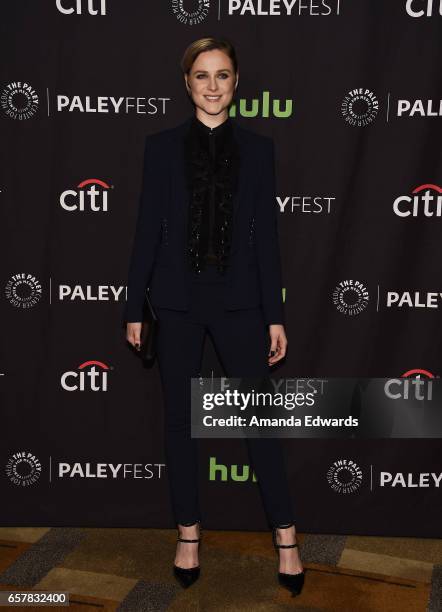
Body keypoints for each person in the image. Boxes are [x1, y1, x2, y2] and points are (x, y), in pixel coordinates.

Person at [123, 36, 305, 596]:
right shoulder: (159, 147)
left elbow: (268, 240)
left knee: (258, 423)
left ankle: (288, 538)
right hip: (176, 303)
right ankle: (188, 534)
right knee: (179, 421)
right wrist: (134, 306)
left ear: (235, 82)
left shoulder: (259, 149)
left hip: (239, 304)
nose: (211, 85)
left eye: (222, 75)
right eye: (201, 75)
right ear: (186, 83)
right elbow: (146, 230)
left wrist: (274, 315)